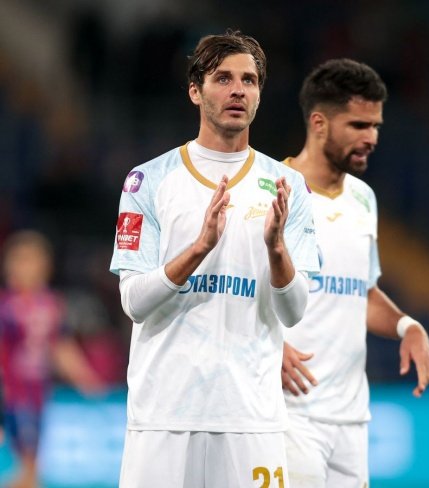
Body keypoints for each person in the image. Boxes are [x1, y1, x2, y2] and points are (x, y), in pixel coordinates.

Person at [109, 30, 319, 488]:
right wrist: (198, 249)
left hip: (251, 419)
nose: (238, 90)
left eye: (249, 80)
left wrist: (277, 250)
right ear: (195, 91)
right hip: (163, 416)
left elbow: (294, 311)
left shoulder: (287, 187)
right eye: (223, 78)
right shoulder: (148, 180)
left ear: (260, 93)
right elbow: (133, 302)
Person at [281, 58, 429, 488]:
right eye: (358, 125)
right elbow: (234, 296)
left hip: (350, 421)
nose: (372, 138)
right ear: (319, 123)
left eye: (376, 126)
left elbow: (362, 293)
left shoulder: (363, 199)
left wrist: (407, 326)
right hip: (287, 414)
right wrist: (268, 347)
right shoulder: (269, 190)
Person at [0, 230, 104, 488]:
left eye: (34, 261)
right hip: (11, 393)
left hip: (39, 393)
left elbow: (61, 346)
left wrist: (86, 379)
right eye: (21, 260)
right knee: (26, 461)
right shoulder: (5, 306)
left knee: (31, 461)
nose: (28, 268)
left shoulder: (51, 304)